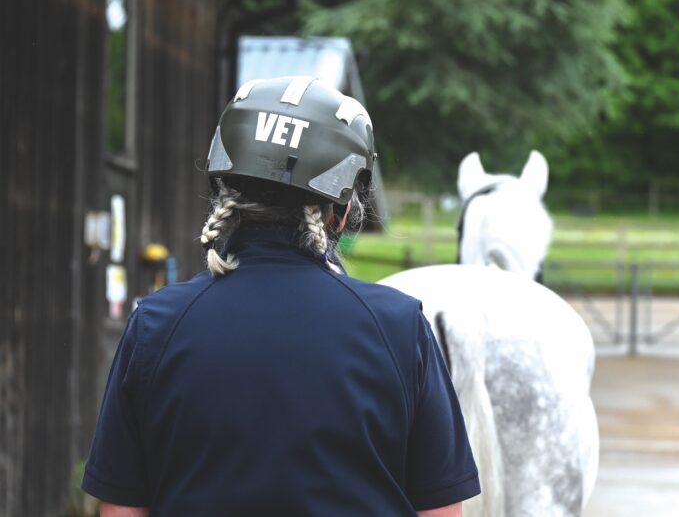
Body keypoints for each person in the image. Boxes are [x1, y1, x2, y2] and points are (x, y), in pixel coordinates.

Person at [82, 76, 480, 516]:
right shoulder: (399, 327)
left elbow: (119, 510)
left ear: (226, 190)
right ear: (343, 209)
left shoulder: (156, 324)